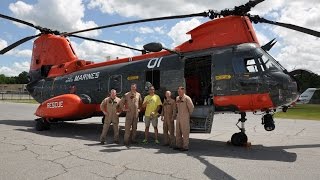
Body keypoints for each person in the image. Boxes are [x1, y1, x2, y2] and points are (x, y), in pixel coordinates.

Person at [175, 86, 194, 151]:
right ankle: (178, 145)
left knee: (185, 132)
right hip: (178, 117)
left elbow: (191, 108)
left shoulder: (187, 98)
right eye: (178, 91)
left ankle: (185, 146)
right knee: (178, 132)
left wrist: (188, 115)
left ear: (183, 91)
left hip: (185, 117)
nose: (178, 92)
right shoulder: (177, 98)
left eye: (180, 91)